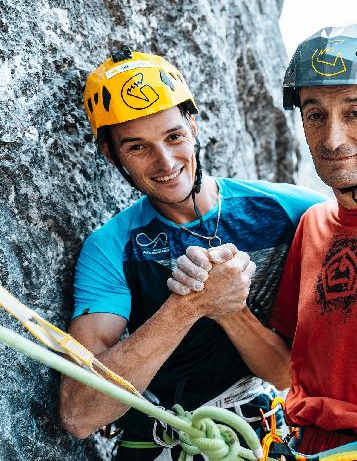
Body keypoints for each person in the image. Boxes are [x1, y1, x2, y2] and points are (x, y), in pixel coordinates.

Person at [170, 25, 357, 460]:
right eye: (315, 114)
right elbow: (284, 367)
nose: (332, 138)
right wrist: (224, 306)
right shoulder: (315, 225)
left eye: (353, 113)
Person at [58, 47, 325, 460]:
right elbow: (81, 413)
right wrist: (188, 305)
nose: (165, 162)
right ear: (111, 155)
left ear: (193, 125)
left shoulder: (289, 213)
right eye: (137, 147)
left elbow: (286, 373)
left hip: (253, 430)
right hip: (164, 438)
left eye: (174, 136)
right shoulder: (111, 248)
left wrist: (229, 307)